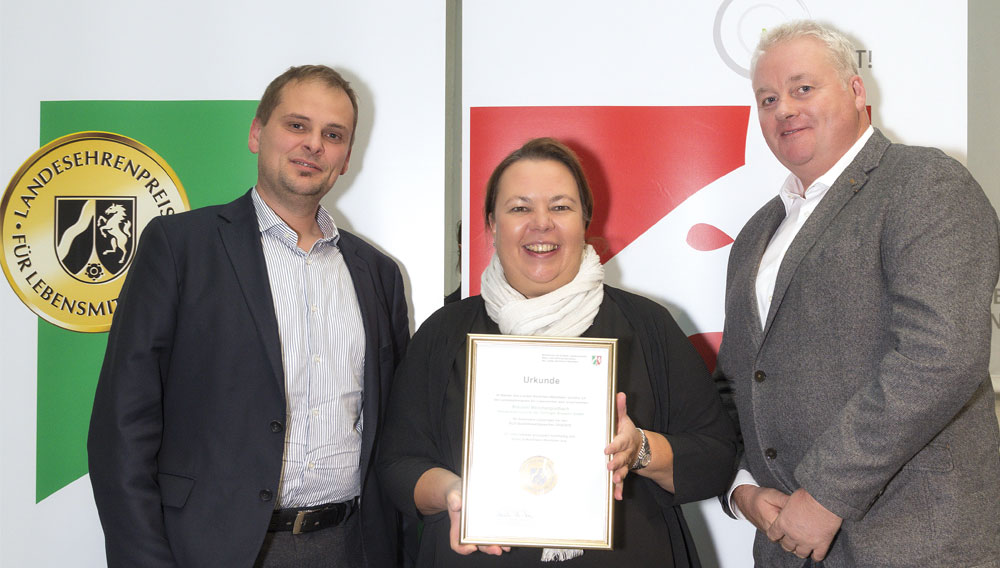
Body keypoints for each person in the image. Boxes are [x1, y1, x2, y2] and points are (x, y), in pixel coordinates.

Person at [88, 65, 410, 567]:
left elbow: (391, 430)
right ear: (257, 133)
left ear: (347, 158)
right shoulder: (179, 249)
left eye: (333, 135)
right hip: (213, 550)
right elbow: (122, 428)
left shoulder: (379, 274)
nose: (313, 145)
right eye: (296, 125)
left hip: (350, 547)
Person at [715, 20, 1000, 567]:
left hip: (915, 546)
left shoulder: (924, 183)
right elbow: (737, 377)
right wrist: (743, 486)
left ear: (855, 91)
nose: (784, 109)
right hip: (786, 547)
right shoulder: (756, 233)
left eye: (803, 88)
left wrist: (825, 493)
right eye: (768, 98)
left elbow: (940, 355)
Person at [379, 137, 738, 567]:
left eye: (561, 206)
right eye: (519, 208)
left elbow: (715, 458)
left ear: (585, 219)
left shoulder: (648, 325)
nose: (541, 223)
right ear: (491, 224)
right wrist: (454, 494)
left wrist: (640, 449)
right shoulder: (445, 332)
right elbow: (398, 464)